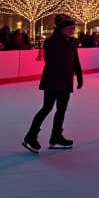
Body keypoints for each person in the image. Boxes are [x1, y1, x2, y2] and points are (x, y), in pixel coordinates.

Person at [22, 15, 83, 153]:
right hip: (52, 81)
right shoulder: (50, 42)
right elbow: (51, 63)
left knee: (61, 109)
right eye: (70, 28)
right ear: (62, 29)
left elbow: (75, 60)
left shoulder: (73, 42)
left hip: (66, 82)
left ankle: (56, 136)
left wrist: (79, 76)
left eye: (73, 28)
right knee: (47, 108)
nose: (73, 30)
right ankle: (30, 136)